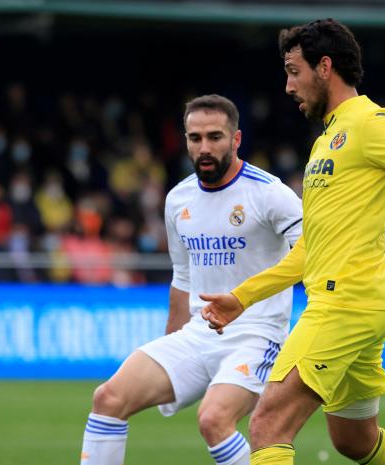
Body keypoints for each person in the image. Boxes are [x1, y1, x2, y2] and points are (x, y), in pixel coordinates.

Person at [201, 19, 385, 465]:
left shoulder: (372, 121)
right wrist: (242, 298)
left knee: (267, 425)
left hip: (346, 304)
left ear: (324, 67)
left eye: (293, 71)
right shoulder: (326, 141)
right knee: (355, 440)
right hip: (358, 302)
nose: (288, 86)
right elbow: (309, 249)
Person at [79, 94, 303, 465]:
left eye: (215, 137)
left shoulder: (270, 193)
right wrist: (171, 347)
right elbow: (182, 278)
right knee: (108, 399)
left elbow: (313, 253)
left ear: (236, 139)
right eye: (195, 138)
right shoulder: (178, 199)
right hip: (198, 335)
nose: (204, 148)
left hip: (256, 337)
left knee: (213, 420)